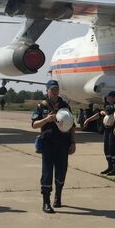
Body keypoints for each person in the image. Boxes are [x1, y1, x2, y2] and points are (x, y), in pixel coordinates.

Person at [31, 80, 76, 213]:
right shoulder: (41, 106)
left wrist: (73, 142)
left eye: (56, 89)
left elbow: (72, 126)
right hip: (48, 144)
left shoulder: (65, 106)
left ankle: (58, 196)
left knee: (62, 171)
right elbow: (34, 124)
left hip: (63, 144)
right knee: (47, 173)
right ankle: (46, 202)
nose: (55, 92)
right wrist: (46, 120)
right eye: (52, 89)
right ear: (47, 91)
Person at [83, 91, 115, 175]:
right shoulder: (106, 105)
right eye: (108, 97)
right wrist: (88, 120)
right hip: (106, 130)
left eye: (110, 97)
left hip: (112, 130)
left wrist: (105, 112)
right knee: (107, 149)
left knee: (113, 149)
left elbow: (112, 113)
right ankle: (110, 166)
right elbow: (99, 114)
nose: (108, 98)